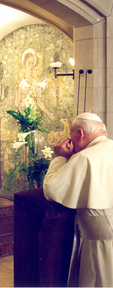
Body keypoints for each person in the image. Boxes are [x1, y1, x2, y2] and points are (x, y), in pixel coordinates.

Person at [43, 112, 113, 287]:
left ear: (80, 134)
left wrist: (60, 157)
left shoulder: (84, 157)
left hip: (98, 244)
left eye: (71, 136)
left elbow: (51, 190)